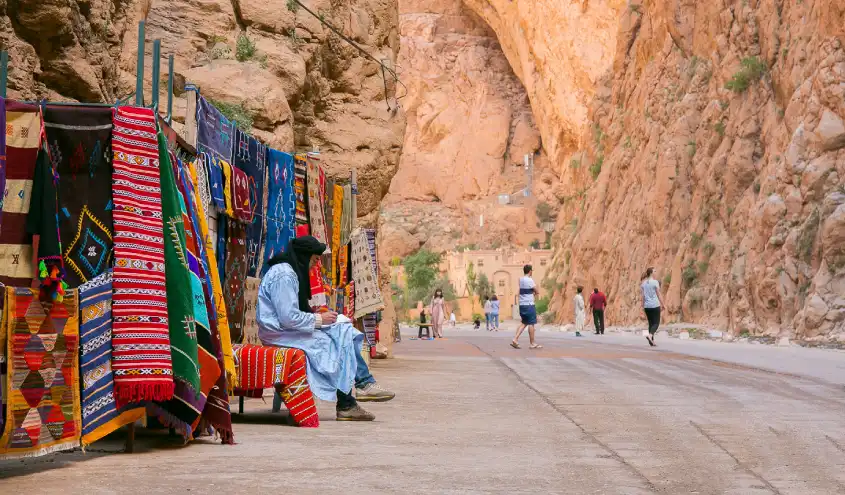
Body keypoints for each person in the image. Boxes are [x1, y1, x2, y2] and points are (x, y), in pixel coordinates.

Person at [258, 236, 395, 422]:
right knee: (333, 343)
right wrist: (319, 319)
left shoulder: (288, 271)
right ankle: (350, 400)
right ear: (304, 256)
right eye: (314, 260)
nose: (315, 266)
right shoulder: (285, 275)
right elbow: (287, 317)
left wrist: (320, 317)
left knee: (345, 331)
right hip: (279, 334)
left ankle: (361, 386)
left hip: (288, 330)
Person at [511, 264, 543, 349]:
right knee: (531, 324)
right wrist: (534, 292)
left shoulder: (520, 280)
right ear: (530, 271)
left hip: (522, 305)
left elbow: (522, 290)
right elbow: (537, 291)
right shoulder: (530, 280)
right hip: (529, 305)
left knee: (524, 322)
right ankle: (532, 343)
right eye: (531, 270)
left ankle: (515, 339)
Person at [640, 267, 663, 346]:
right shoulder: (655, 282)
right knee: (656, 323)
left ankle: (651, 342)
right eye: (655, 271)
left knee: (650, 323)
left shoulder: (643, 283)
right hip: (655, 305)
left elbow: (643, 296)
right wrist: (663, 304)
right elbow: (658, 294)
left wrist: (642, 307)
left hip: (647, 306)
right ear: (651, 273)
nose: (656, 272)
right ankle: (650, 335)